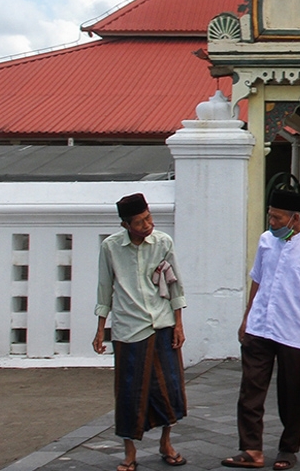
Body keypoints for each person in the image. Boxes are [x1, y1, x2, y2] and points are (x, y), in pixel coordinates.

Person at [222, 189, 300, 471]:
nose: (271, 221)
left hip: (293, 331)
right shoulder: (266, 241)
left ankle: (288, 449)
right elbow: (257, 280)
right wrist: (247, 317)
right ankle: (251, 450)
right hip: (260, 327)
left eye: (277, 217)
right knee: (250, 390)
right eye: (270, 215)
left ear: (295, 218)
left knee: (292, 394)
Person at [93, 192, 188, 471]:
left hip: (162, 323)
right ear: (126, 225)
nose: (147, 225)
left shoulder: (163, 242)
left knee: (168, 389)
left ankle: (166, 443)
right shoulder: (111, 248)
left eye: (148, 218)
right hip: (128, 328)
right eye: (139, 222)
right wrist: (101, 329)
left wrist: (178, 324)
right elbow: (104, 289)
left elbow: (175, 286)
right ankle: (130, 453)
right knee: (129, 394)